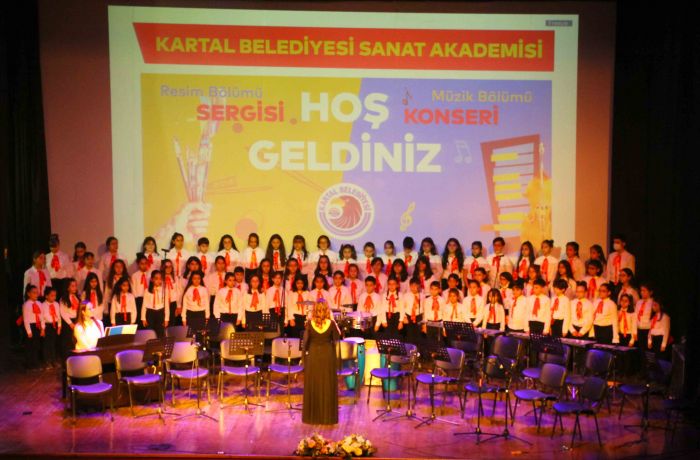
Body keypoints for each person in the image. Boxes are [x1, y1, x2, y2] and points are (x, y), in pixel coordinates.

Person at [302, 301, 341, 425]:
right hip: (327, 356)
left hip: (313, 356)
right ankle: (327, 417)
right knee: (327, 384)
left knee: (314, 383)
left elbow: (305, 343)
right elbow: (337, 338)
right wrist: (334, 323)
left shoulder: (309, 323)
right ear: (327, 310)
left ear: (314, 310)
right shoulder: (331, 323)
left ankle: (313, 417)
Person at [22, 285, 45, 369]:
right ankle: (29, 364)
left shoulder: (39, 303)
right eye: (34, 293)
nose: (36, 294)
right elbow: (26, 319)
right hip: (30, 327)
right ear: (28, 294)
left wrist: (42, 328)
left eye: (37, 293)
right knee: (30, 347)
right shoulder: (26, 305)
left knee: (36, 346)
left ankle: (35, 363)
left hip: (37, 325)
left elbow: (42, 317)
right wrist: (29, 331)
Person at [142, 270, 169, 337]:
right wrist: (143, 318)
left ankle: (160, 343)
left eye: (160, 279)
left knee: (160, 332)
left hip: (160, 313)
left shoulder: (164, 290)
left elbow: (166, 305)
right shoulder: (147, 290)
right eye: (156, 278)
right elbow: (144, 305)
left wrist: (166, 318)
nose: (159, 281)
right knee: (150, 333)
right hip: (150, 313)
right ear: (152, 279)